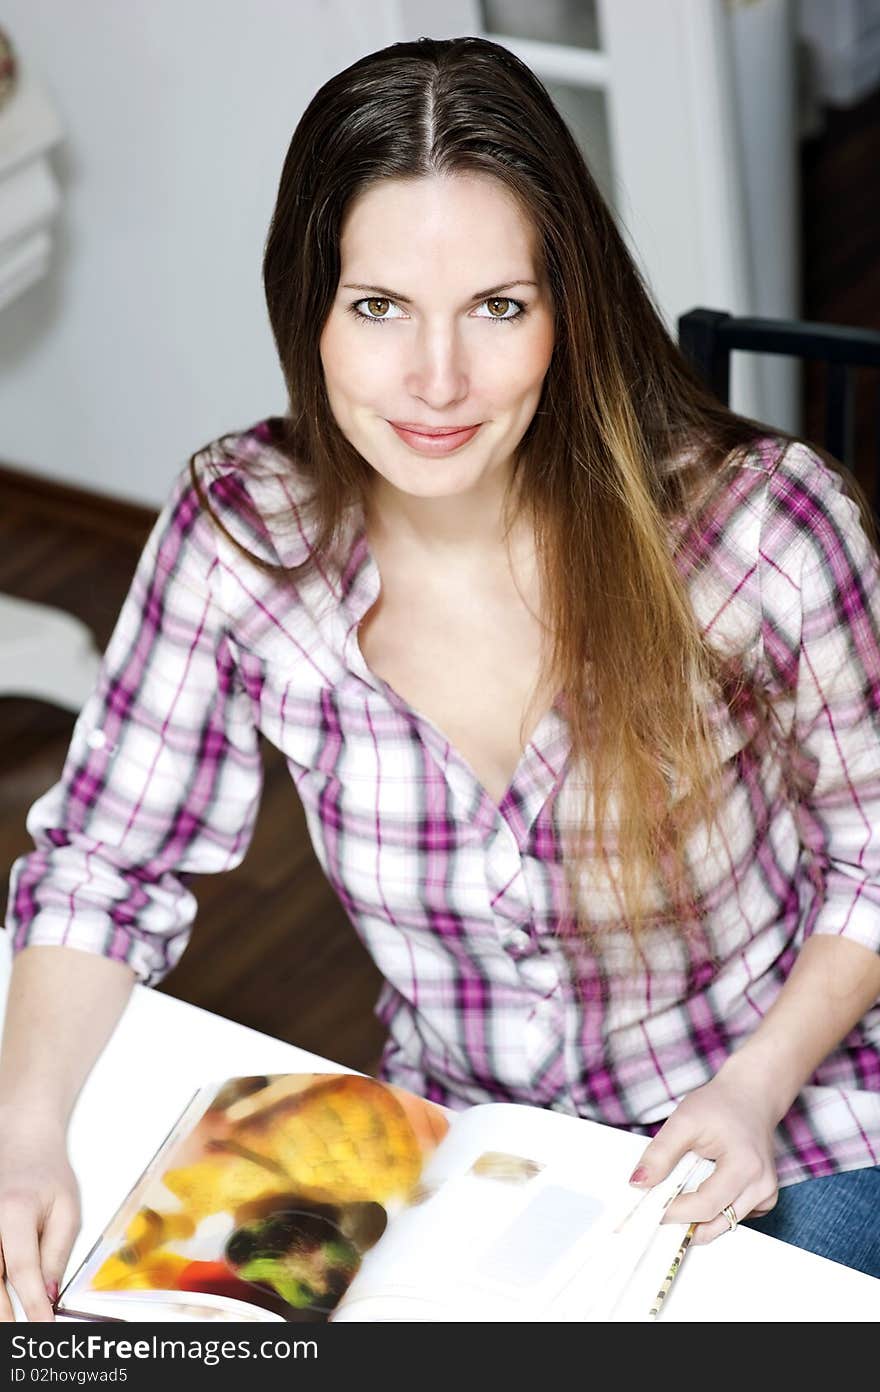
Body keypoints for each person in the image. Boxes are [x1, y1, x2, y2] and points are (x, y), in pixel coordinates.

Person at [2, 35, 879, 1323]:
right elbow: (101, 865)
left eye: (497, 306)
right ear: (308, 305)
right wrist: (25, 1134)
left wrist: (754, 1087)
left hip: (790, 1111)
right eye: (379, 308)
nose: (436, 383)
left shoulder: (758, 539)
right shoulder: (242, 536)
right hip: (464, 1141)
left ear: (566, 310)